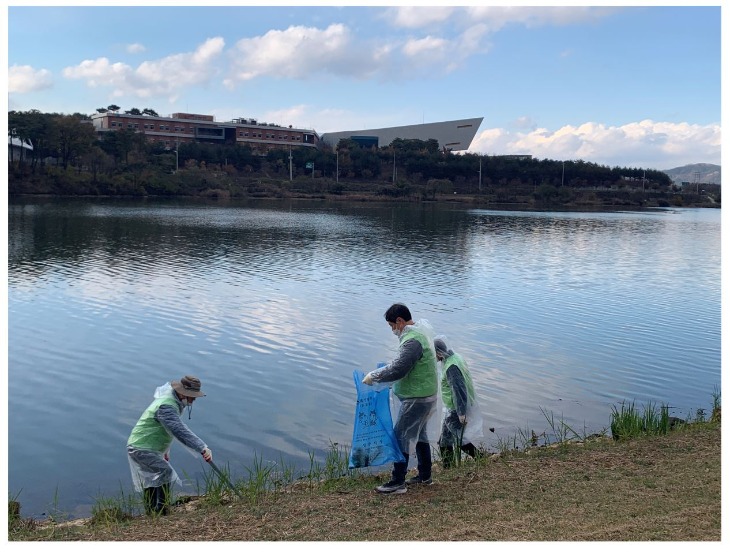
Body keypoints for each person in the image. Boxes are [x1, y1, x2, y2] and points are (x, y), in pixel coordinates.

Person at [362, 303, 438, 494]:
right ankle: (425, 475)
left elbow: (399, 368)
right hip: (424, 394)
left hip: (417, 397)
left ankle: (397, 481)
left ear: (399, 321)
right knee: (420, 435)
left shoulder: (412, 340)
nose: (393, 330)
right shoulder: (417, 334)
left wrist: (375, 376)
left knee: (400, 435)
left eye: (392, 326)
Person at [127, 375, 213, 515]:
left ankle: (153, 511)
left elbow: (164, 429)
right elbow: (179, 430)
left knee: (154, 477)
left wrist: (166, 450)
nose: (193, 399)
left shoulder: (173, 401)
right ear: (181, 392)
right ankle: (161, 511)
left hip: (144, 446)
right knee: (165, 473)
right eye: (191, 396)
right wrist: (202, 447)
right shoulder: (167, 406)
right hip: (141, 448)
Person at [434, 337, 483, 468]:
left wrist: (461, 413)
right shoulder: (454, 358)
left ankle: (481, 458)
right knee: (445, 440)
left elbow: (458, 389)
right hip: (454, 407)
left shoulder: (451, 367)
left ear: (438, 353)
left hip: (457, 408)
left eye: (432, 354)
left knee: (459, 439)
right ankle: (448, 467)